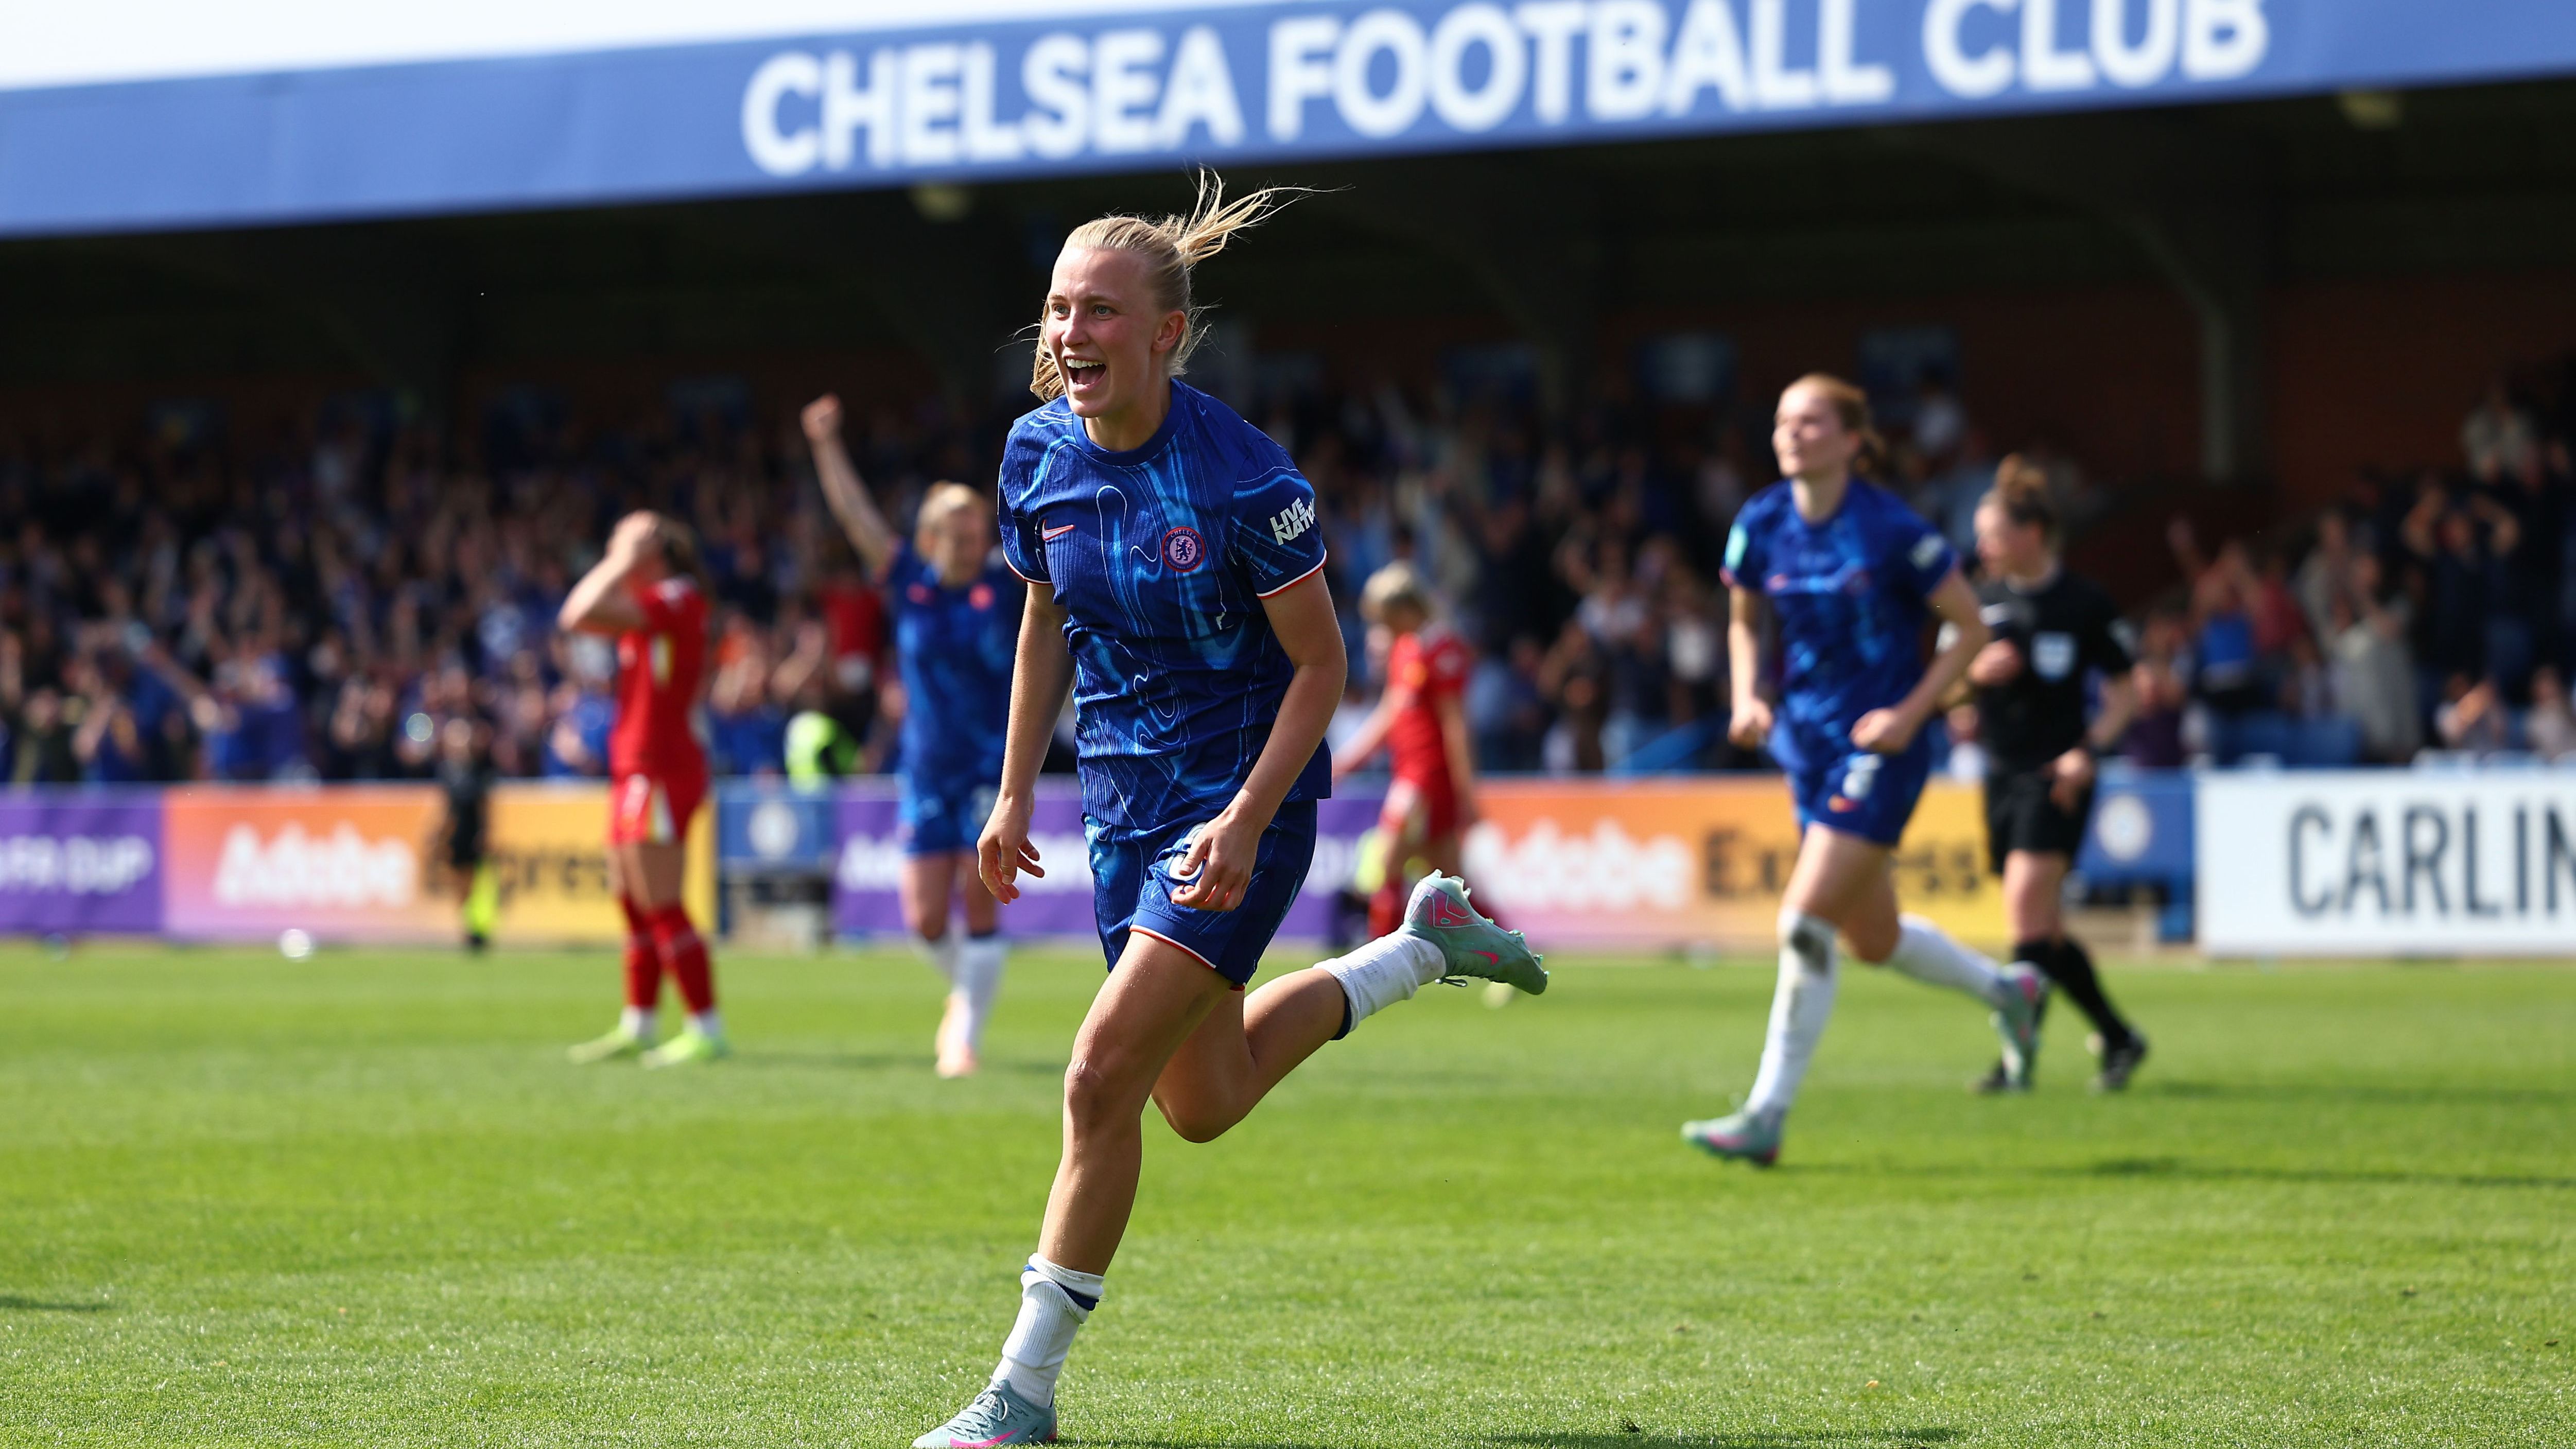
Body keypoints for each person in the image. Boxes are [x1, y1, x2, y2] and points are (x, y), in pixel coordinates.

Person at [911, 177, 1546, 1449]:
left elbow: (1322, 667)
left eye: (1095, 310)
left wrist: (1251, 815)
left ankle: (1017, 1398)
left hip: (1236, 810)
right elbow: (1044, 615)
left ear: (1164, 332)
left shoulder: (1247, 478)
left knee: (1095, 1080)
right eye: (1054, 311)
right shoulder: (1034, 454)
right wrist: (1011, 782)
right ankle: (1421, 947)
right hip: (1123, 811)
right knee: (1197, 1102)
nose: (1067, 333)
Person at [1681, 374, 2045, 1169]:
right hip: (1805, 749)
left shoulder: (1889, 526)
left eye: (1812, 420)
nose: (1793, 432)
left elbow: (1971, 627)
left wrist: (1911, 716)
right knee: (1872, 937)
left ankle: (1765, 1114)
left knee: (1803, 921)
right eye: (1783, 420)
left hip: (1880, 749)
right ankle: (2009, 992)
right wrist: (1748, 693)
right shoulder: (1762, 520)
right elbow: (1744, 618)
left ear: (1853, 438)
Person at [804, 392, 1020, 1078]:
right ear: (930, 537)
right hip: (926, 766)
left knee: (979, 898)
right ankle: (966, 992)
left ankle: (965, 1037)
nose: (969, 538)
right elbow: (856, 517)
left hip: (991, 765)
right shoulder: (910, 583)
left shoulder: (1010, 588)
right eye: (955, 528)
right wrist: (825, 445)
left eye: (977, 527)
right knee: (925, 917)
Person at [1961, 461, 2149, 1093]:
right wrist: (1969, 679)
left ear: (2033, 532)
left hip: (2060, 774)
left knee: (2022, 909)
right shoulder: (1977, 600)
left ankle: (2017, 1062)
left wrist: (2089, 749)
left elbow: (2127, 690)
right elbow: (1936, 691)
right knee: (2044, 930)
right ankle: (2120, 1038)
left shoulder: (2085, 603)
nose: (1982, 545)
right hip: (2000, 775)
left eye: (1993, 533)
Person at [560, 512, 725, 1068]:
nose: (613, 556)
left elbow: (576, 613)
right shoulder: (650, 608)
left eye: (623, 545)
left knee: (662, 902)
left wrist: (623, 559)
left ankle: (706, 1027)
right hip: (635, 767)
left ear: (651, 552)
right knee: (634, 902)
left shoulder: (676, 599)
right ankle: (641, 1024)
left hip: (660, 768)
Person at [1330, 562, 1483, 936]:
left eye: (1384, 620)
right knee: (1453, 881)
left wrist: (1466, 788)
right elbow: (1390, 714)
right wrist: (1346, 763)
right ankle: (1505, 954)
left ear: (1405, 610)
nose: (1381, 630)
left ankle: (1375, 957)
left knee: (1389, 861)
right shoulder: (1407, 648)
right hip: (1411, 773)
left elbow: (1455, 725)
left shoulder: (1443, 649)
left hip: (1428, 778)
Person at [432, 716, 500, 954]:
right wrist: (439, 836)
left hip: (474, 833)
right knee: (460, 886)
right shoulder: (447, 771)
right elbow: (445, 807)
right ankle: (467, 929)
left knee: (477, 885)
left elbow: (485, 806)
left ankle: (478, 929)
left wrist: (487, 834)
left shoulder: (479, 770)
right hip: (457, 834)